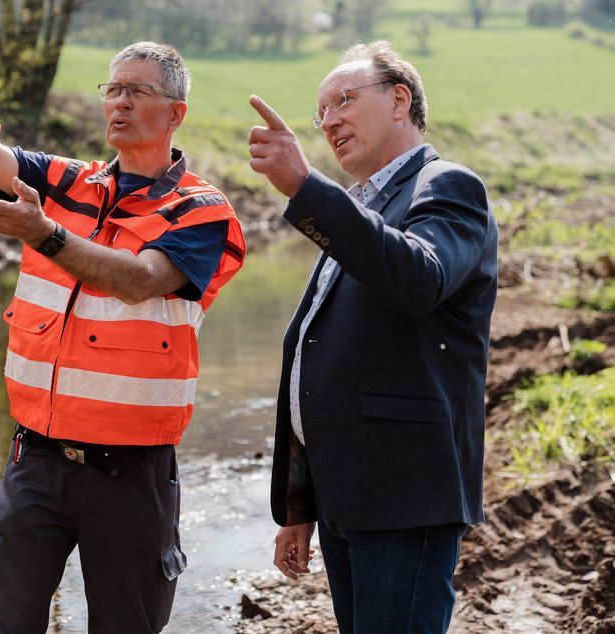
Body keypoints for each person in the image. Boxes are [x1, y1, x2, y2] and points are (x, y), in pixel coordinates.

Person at [0, 42, 245, 633]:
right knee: (5, 626)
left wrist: (45, 234)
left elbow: (138, 280)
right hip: (36, 460)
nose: (119, 103)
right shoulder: (63, 179)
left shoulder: (202, 211)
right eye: (113, 89)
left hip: (132, 474)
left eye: (137, 92)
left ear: (175, 113)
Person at [247, 40, 497, 632]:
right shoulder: (363, 207)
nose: (329, 119)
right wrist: (300, 505)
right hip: (346, 497)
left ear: (399, 101)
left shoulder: (446, 186)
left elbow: (418, 279)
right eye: (321, 111)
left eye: (343, 100)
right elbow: (319, 360)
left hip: (404, 494)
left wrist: (306, 188)